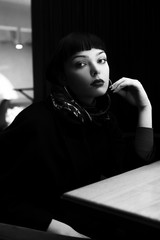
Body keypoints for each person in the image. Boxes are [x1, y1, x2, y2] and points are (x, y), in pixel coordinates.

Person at [0, 32, 154, 239]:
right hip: (46, 228)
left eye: (101, 60)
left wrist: (145, 108)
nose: (95, 70)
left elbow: (131, 172)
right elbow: (5, 195)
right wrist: (54, 227)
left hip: (89, 222)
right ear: (63, 76)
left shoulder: (102, 118)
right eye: (81, 64)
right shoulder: (37, 120)